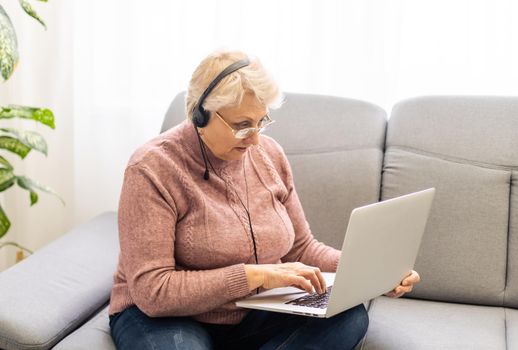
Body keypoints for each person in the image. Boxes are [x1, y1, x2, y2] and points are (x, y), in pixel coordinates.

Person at [108, 49, 420, 350]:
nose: (256, 138)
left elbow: (302, 248)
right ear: (200, 115)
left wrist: (371, 272)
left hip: (250, 313)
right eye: (242, 125)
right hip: (165, 317)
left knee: (349, 317)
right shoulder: (151, 168)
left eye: (261, 121)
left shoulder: (269, 155)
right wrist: (254, 276)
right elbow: (154, 290)